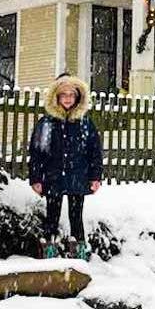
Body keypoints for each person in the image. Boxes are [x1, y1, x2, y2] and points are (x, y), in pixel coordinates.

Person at [28, 74, 103, 260]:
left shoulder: (85, 123)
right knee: (52, 215)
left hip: (78, 175)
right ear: (56, 97)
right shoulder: (47, 123)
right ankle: (49, 249)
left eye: (71, 94)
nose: (68, 98)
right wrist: (36, 178)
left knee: (76, 216)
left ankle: (78, 249)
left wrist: (95, 176)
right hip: (53, 176)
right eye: (63, 95)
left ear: (78, 97)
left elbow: (95, 151)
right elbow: (37, 152)